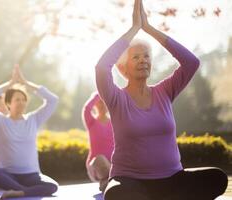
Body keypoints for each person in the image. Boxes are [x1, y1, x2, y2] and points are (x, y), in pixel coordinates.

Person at [95, 0, 228, 199]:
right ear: (123, 68)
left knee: (217, 178)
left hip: (172, 179)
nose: (143, 60)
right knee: (116, 194)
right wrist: (134, 28)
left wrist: (149, 29)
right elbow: (102, 67)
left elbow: (191, 62)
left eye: (146, 56)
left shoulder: (165, 91)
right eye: (136, 57)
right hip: (131, 181)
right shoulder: (116, 98)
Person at [0, 66, 59, 199]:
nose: (21, 102)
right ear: (8, 103)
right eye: (17, 99)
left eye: (23, 99)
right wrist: (9, 84)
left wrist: (26, 83)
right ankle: (25, 191)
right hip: (8, 175)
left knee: (52, 186)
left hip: (32, 175)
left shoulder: (34, 119)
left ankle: (19, 192)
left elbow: (53, 100)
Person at [82, 92, 114, 192]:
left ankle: (109, 182)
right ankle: (111, 181)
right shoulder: (91, 121)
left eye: (105, 102)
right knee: (100, 159)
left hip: (114, 166)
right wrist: (100, 92)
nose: (103, 105)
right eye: (100, 102)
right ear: (95, 104)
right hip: (96, 166)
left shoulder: (115, 122)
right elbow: (87, 108)